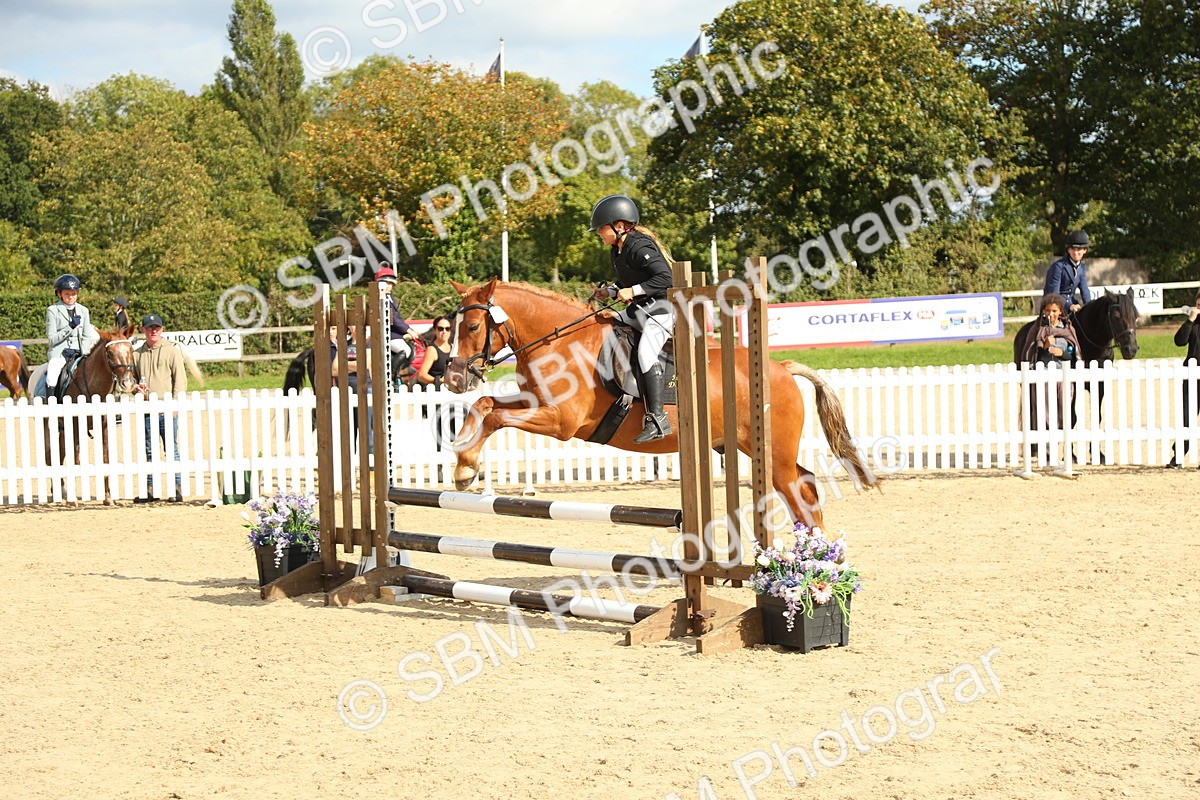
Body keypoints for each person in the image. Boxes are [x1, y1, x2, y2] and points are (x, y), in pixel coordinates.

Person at [588, 194, 675, 443]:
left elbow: (665, 278)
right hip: (639, 310)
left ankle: (658, 419)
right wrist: (611, 292)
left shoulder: (640, 246)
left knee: (646, 354)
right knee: (605, 322)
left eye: (601, 229)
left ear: (620, 225)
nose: (599, 234)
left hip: (662, 310)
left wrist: (633, 291)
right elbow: (627, 283)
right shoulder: (617, 250)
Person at [133, 313, 187, 503]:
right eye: (149, 328)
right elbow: (131, 379)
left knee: (172, 449)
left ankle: (177, 489)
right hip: (148, 409)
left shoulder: (172, 351)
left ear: (162, 330)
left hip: (167, 408)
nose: (153, 331)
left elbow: (180, 379)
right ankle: (150, 490)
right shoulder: (137, 354)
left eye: (156, 328)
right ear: (143, 331)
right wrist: (135, 388)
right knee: (150, 450)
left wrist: (175, 404)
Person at [1020, 294, 1082, 433]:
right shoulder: (1038, 329)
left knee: (1065, 412)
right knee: (1045, 414)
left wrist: (1063, 353)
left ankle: (1063, 444)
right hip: (1045, 375)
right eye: (1048, 311)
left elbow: (1074, 353)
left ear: (1060, 311)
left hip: (1064, 376)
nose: (1051, 314)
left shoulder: (1067, 329)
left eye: (1054, 311)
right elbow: (1032, 354)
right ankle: (1047, 451)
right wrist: (1044, 345)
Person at [43, 273, 99, 399]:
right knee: (52, 373)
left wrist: (83, 351)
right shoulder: (53, 310)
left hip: (79, 352)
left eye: (73, 293)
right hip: (60, 353)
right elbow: (52, 339)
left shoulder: (83, 310)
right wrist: (70, 327)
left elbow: (86, 336)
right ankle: (51, 404)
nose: (70, 297)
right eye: (67, 294)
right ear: (59, 294)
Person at [1167, 293, 1200, 468]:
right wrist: (1190, 321)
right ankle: (1178, 456)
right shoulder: (1193, 323)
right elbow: (1179, 341)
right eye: (1198, 304)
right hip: (1191, 377)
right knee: (1187, 418)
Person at [374, 263, 418, 388]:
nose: (389, 286)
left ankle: (399, 374)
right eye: (385, 283)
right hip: (386, 333)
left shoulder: (390, 298)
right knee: (405, 350)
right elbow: (393, 318)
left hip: (394, 332)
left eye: (390, 283)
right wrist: (408, 330)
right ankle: (391, 376)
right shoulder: (380, 298)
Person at [1043, 230, 1092, 314]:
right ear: (1068, 250)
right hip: (1055, 308)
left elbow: (1085, 291)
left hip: (1072, 305)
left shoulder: (1082, 267)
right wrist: (1069, 306)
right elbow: (1054, 294)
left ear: (1085, 250)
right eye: (1073, 248)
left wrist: (1091, 307)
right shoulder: (1058, 267)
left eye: (1079, 249)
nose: (1076, 252)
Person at [413, 316, 453, 389]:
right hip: (434, 392)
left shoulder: (453, 348)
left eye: (447, 329)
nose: (444, 332)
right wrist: (439, 380)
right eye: (440, 329)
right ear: (435, 330)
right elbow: (421, 375)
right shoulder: (432, 350)